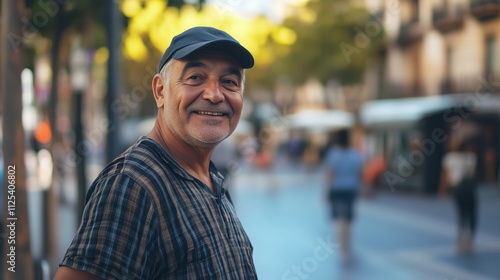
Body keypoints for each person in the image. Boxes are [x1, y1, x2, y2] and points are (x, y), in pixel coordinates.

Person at [54, 26, 257, 279]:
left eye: (229, 82)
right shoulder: (132, 184)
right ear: (161, 91)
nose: (215, 94)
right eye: (195, 77)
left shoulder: (212, 181)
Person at [323, 129, 363, 265]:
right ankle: (348, 247)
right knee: (349, 221)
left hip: (337, 190)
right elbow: (359, 173)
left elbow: (330, 173)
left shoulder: (334, 154)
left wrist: (326, 192)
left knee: (340, 221)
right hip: (350, 190)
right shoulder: (354, 155)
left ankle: (343, 252)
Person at [439, 139, 478, 254]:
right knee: (471, 214)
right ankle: (470, 241)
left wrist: (442, 191)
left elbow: (445, 176)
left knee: (462, 215)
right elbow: (473, 174)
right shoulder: (471, 157)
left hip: (458, 189)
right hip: (469, 189)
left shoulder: (449, 158)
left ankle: (460, 242)